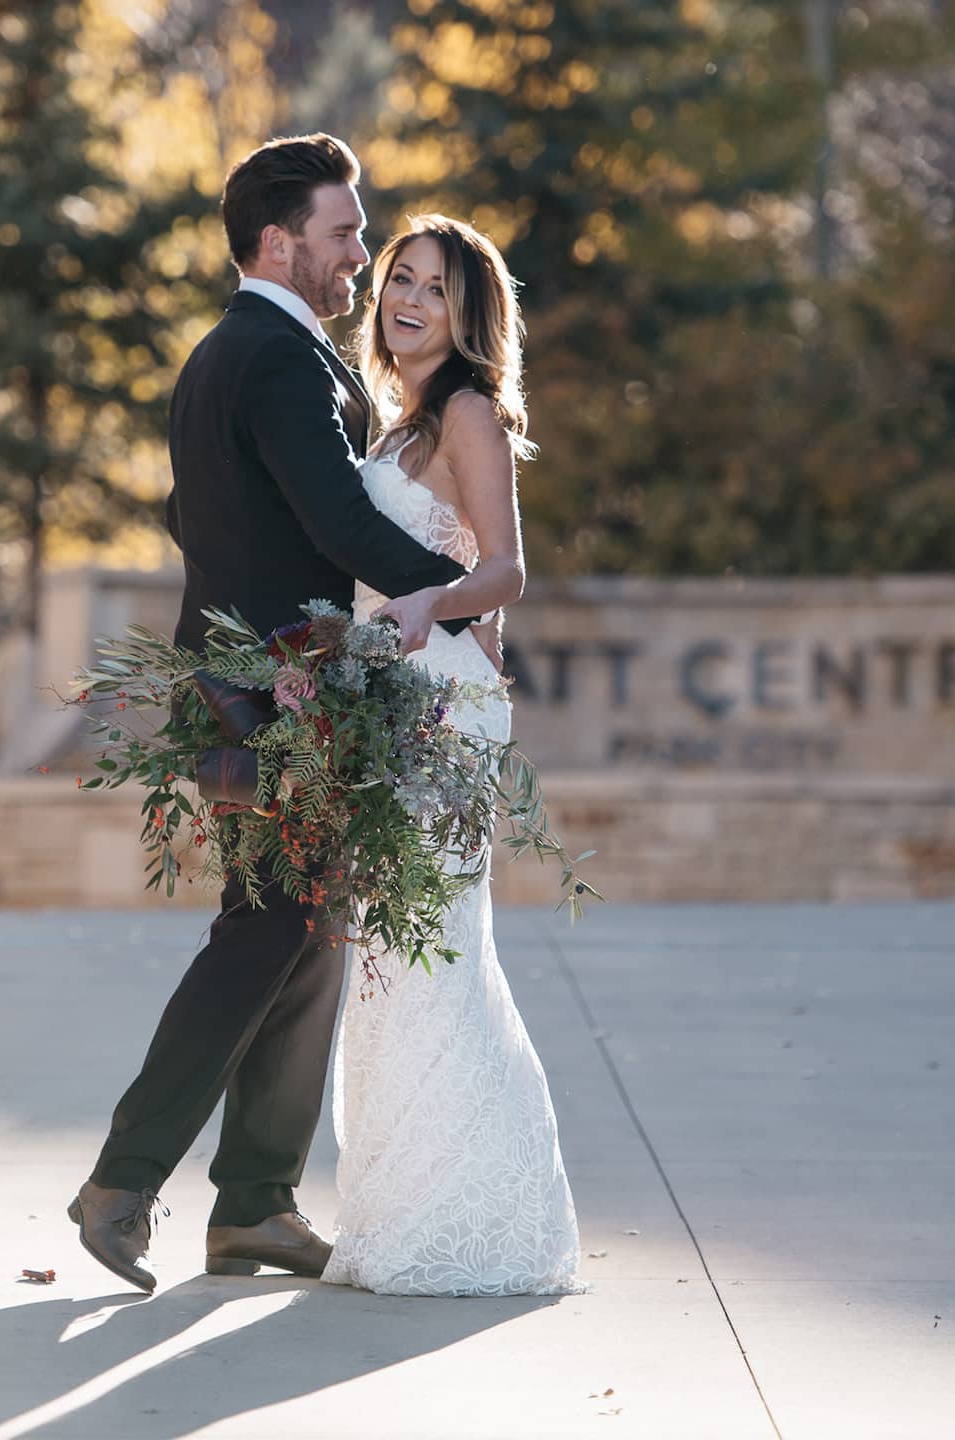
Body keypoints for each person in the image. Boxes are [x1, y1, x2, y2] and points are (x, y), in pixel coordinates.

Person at [67, 134, 488, 1293]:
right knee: (267, 927)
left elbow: (192, 511)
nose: (363, 252)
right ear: (278, 241)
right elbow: (346, 530)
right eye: (346, 232)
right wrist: (464, 616)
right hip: (274, 700)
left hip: (264, 683)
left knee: (307, 930)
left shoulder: (237, 353)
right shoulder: (274, 359)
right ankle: (122, 1179)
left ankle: (254, 1204)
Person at [323, 214, 583, 1296]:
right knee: (389, 958)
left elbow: (509, 572)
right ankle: (396, 1212)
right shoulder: (390, 430)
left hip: (447, 700)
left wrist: (431, 599)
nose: (407, 300)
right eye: (398, 280)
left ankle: (476, 1218)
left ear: (471, 311)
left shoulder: (468, 412)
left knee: (434, 950)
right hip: (391, 693)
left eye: (433, 285)